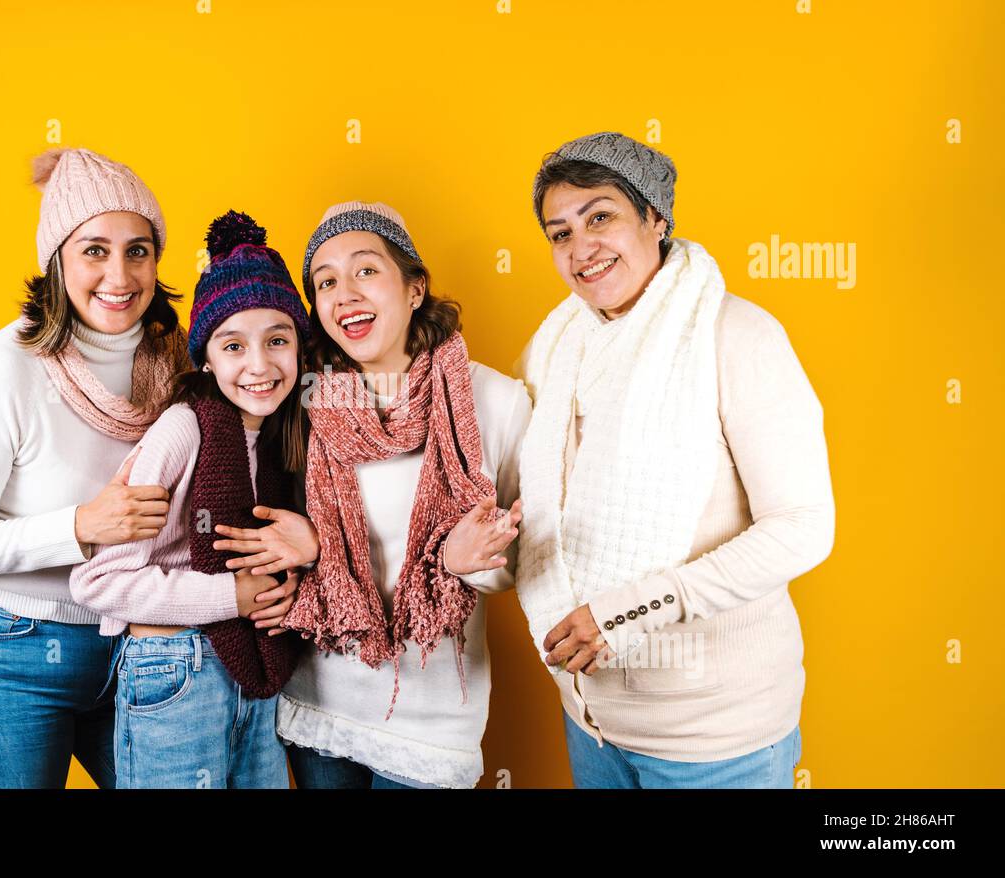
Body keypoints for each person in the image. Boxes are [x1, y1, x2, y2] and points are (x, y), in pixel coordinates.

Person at [514, 131, 836, 788]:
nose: (581, 249)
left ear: (655, 218)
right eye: (560, 233)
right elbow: (533, 521)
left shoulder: (737, 337)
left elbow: (804, 525)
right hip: (593, 722)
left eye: (600, 216)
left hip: (717, 741)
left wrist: (635, 607)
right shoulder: (553, 351)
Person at [0, 147, 185, 788]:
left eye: (137, 250)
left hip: (135, 645)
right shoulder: (5, 371)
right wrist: (80, 527)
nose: (119, 275)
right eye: (94, 249)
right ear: (57, 260)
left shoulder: (177, 359)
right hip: (6, 651)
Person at [272, 201, 532, 789]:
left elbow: (528, 553)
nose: (345, 295)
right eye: (326, 281)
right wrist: (306, 543)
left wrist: (468, 566)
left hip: (432, 719)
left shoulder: (494, 401)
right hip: (319, 700)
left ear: (415, 288)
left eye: (366, 270)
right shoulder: (304, 402)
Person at [69, 211, 310, 788]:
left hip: (255, 672)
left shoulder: (284, 437)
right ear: (205, 357)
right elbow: (98, 583)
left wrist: (285, 583)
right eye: (233, 346)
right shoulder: (183, 431)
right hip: (177, 667)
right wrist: (235, 594)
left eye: (278, 340)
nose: (259, 365)